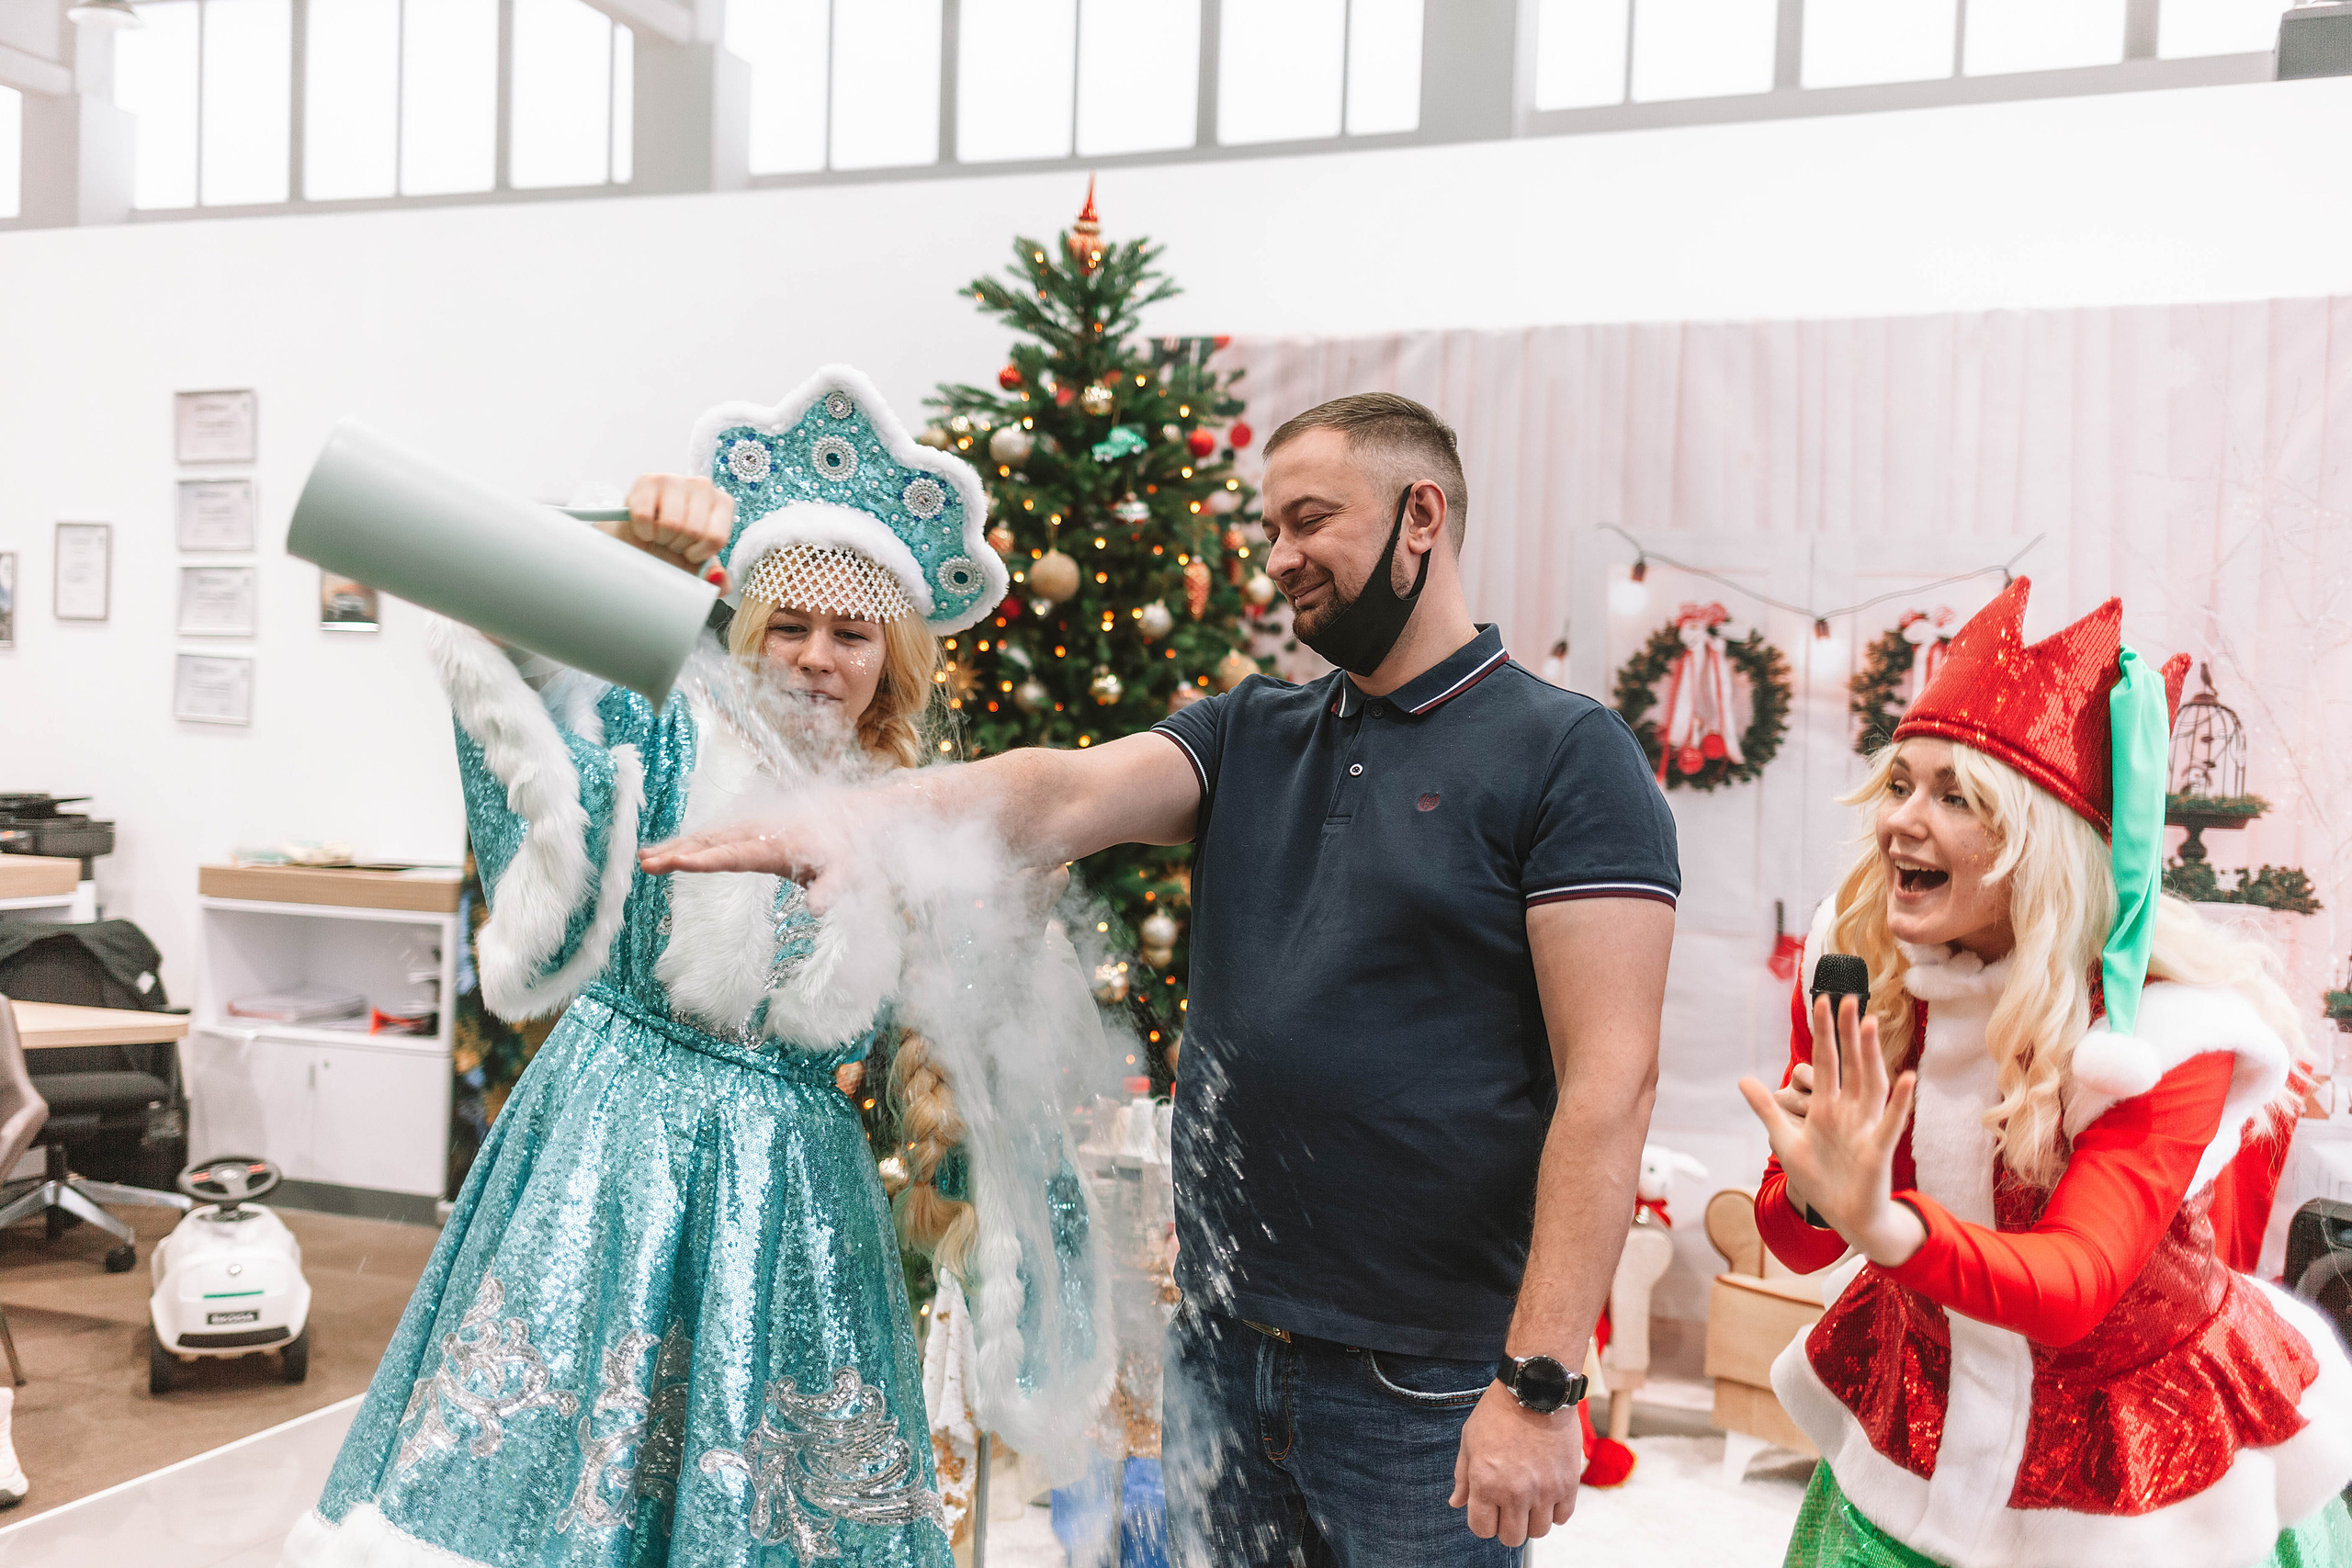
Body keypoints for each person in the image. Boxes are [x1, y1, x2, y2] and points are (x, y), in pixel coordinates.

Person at [642, 392, 1682, 1564]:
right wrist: (843, 820)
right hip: (1228, 1350)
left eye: (1309, 520)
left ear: (1420, 516)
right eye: (1268, 526)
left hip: (1420, 1382)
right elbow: (1057, 793)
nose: (1278, 557)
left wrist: (1538, 1384)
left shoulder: (1564, 754)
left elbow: (1612, 1084)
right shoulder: (1255, 730)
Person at [287, 367, 1104, 1567]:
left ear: (896, 655)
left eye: (851, 631)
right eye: (790, 621)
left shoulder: (904, 811)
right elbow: (512, 658)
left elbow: (975, 1051)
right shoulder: (663, 725)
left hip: (793, 1188)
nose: (817, 655)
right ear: (744, 624)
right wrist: (631, 556)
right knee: (555, 1463)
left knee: (769, 1487)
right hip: (613, 1140)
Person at [1740, 577, 2352, 1568]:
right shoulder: (1859, 962)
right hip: (1921, 1421)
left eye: (1956, 798)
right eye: (1900, 783)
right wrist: (1815, 1200)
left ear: (2045, 847)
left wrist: (1879, 1221)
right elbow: (1794, 1235)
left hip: (2141, 1472)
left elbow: (2074, 1282)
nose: (1903, 820)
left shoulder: (2161, 1032)